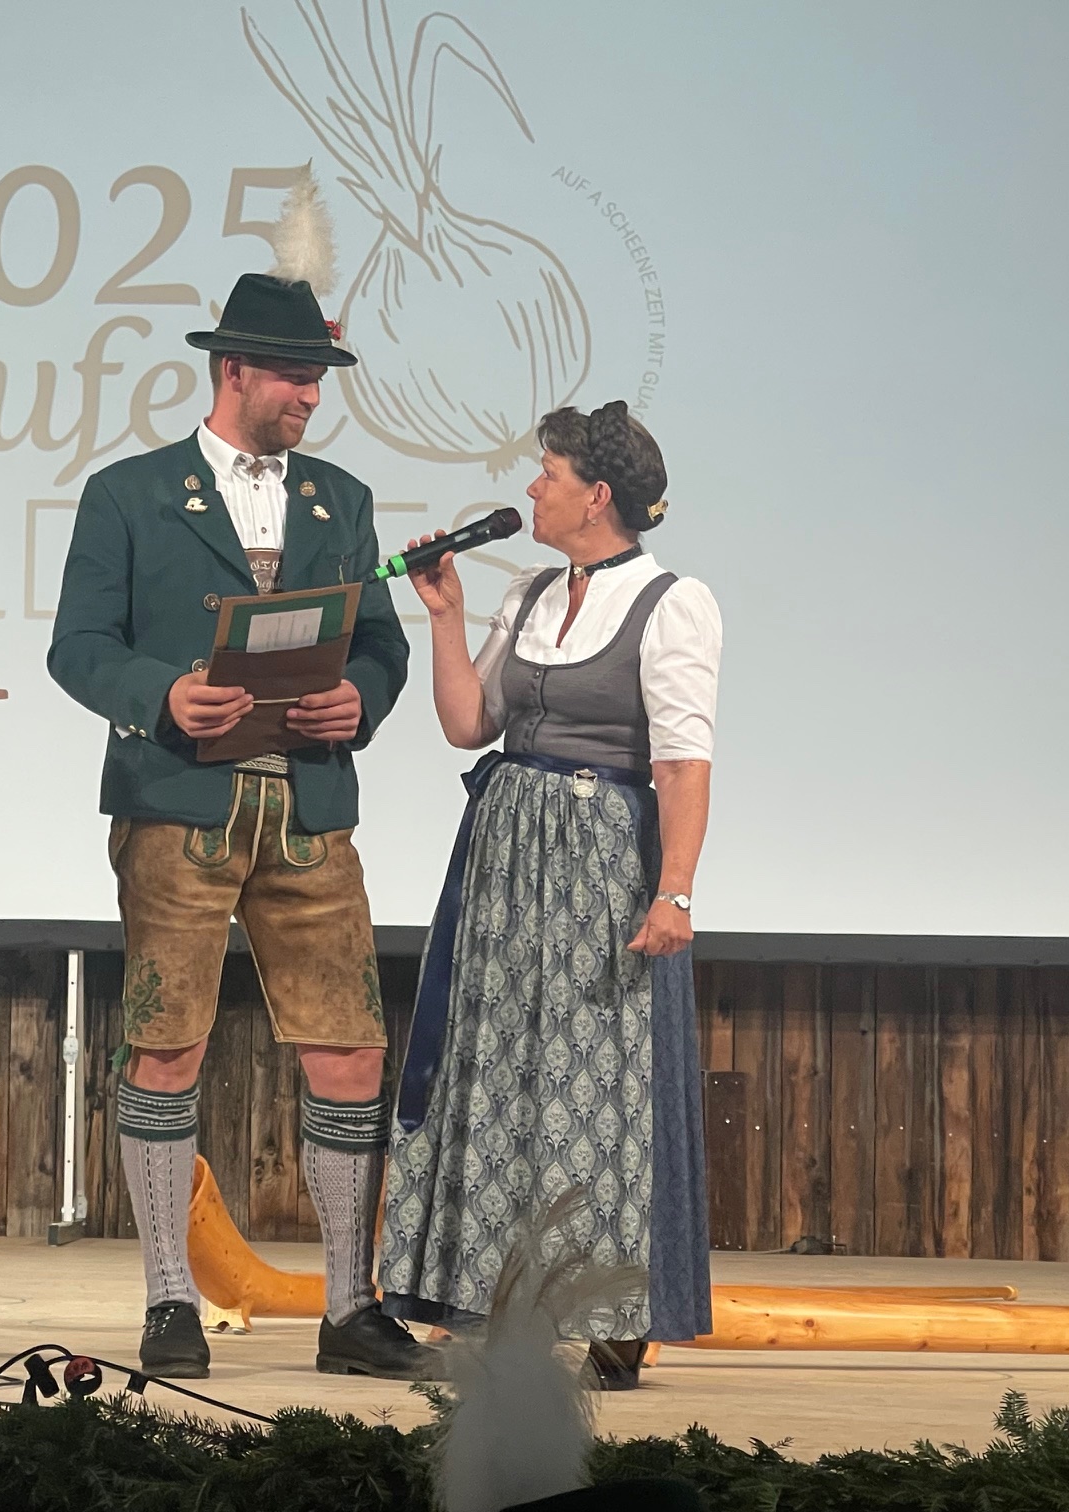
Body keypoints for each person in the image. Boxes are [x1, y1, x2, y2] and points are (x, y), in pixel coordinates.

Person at [50, 268, 436, 1381]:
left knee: (351, 1049)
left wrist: (361, 697)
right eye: (294, 376)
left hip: (310, 808)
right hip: (180, 805)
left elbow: (381, 645)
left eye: (318, 377)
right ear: (233, 370)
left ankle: (351, 1308)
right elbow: (78, 647)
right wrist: (162, 694)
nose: (311, 396)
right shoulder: (128, 494)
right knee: (166, 1045)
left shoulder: (340, 500)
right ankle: (169, 1297)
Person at [375, 400, 721, 1388]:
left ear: (596, 495)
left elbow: (683, 765)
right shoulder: (528, 592)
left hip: (603, 862)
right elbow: (467, 724)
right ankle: (482, 1297)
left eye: (548, 474)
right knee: (496, 1075)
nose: (531, 487)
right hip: (505, 859)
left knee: (599, 1084)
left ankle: (615, 1311)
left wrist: (675, 893)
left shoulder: (671, 604)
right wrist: (445, 615)